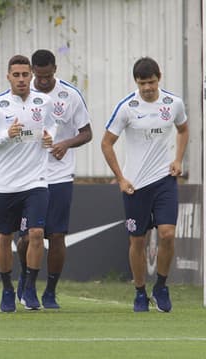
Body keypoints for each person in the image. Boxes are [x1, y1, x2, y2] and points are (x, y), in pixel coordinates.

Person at [101, 57, 188, 313]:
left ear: (159, 78)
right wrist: (120, 178)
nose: (148, 87)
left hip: (164, 180)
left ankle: (161, 286)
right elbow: (106, 143)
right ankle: (140, 292)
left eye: (151, 82)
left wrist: (178, 160)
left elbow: (183, 130)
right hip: (135, 185)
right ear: (136, 82)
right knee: (138, 241)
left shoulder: (173, 103)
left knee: (167, 234)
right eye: (142, 83)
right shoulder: (127, 107)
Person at [15, 49, 92, 309]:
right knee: (27, 236)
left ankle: (49, 291)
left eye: (49, 76)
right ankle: (26, 282)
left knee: (56, 236)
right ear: (34, 71)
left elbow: (87, 132)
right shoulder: (23, 95)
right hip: (28, 175)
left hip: (59, 175)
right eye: (40, 76)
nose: (44, 80)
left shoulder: (69, 95)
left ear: (55, 69)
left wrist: (66, 143)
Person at [0, 55, 55, 312]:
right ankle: (7, 289)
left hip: (36, 181)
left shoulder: (43, 102)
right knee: (4, 237)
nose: (22, 79)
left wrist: (49, 137)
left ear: (31, 75)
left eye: (25, 74)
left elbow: (53, 127)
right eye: (17, 75)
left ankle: (30, 288)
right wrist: (6, 134)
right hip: (6, 184)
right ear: (8, 76)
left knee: (36, 234)